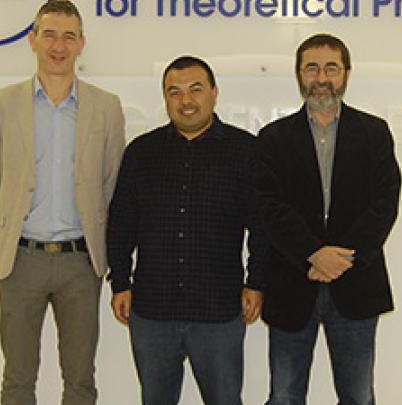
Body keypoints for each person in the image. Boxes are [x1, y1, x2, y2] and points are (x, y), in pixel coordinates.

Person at [0, 1, 125, 404]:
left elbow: (113, 184)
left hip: (81, 261)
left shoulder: (106, 107)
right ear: (33, 40)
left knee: (80, 379)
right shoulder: (2, 104)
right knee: (18, 379)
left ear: (81, 44)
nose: (59, 45)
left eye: (69, 36)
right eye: (50, 34)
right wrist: (11, 231)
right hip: (21, 260)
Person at [106, 56, 265, 405]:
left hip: (219, 310)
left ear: (214, 93)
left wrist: (256, 281)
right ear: (165, 99)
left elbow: (263, 225)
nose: (186, 101)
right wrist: (120, 281)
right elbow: (120, 222)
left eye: (195, 90)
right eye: (174, 92)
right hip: (152, 311)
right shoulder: (142, 153)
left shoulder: (245, 151)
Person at [256, 33, 401, 405]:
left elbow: (384, 203)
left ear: (347, 74)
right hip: (292, 282)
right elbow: (269, 206)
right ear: (299, 75)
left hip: (355, 283)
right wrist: (313, 253)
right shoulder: (273, 138)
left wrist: (342, 257)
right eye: (312, 68)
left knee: (358, 396)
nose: (322, 78)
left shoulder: (374, 132)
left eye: (331, 68)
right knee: (284, 396)